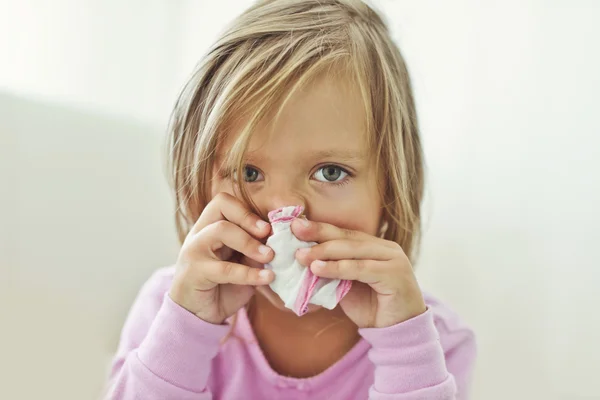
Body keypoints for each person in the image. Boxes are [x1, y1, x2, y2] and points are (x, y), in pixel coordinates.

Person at [106, 0, 476, 398]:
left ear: (392, 189)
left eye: (330, 172)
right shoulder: (170, 312)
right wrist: (187, 330)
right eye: (250, 173)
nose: (284, 212)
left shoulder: (431, 344)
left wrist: (405, 350)